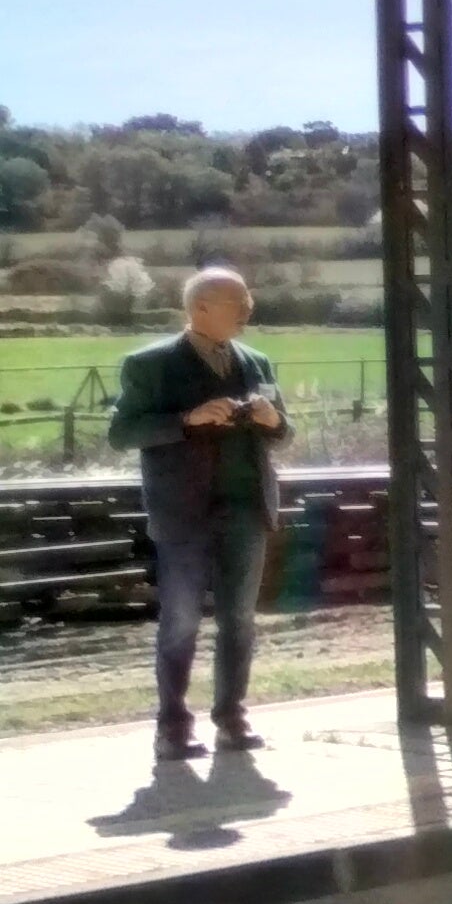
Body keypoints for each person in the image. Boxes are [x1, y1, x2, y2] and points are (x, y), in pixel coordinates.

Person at [102, 265, 291, 765]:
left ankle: (232, 718)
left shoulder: (259, 361)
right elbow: (122, 433)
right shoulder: (151, 364)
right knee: (181, 622)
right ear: (199, 308)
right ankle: (173, 728)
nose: (248, 309)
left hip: (247, 511)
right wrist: (188, 419)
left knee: (239, 621)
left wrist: (275, 422)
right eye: (237, 302)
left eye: (247, 299)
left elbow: (282, 433)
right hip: (184, 515)